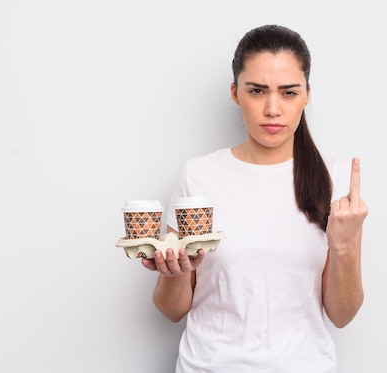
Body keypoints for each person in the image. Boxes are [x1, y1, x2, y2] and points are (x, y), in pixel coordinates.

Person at [141, 24, 368, 372]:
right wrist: (173, 273)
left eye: (289, 92)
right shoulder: (199, 176)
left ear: (308, 94)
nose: (273, 108)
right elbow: (171, 310)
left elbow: (342, 315)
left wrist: (343, 246)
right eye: (257, 91)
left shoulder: (335, 179)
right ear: (235, 92)